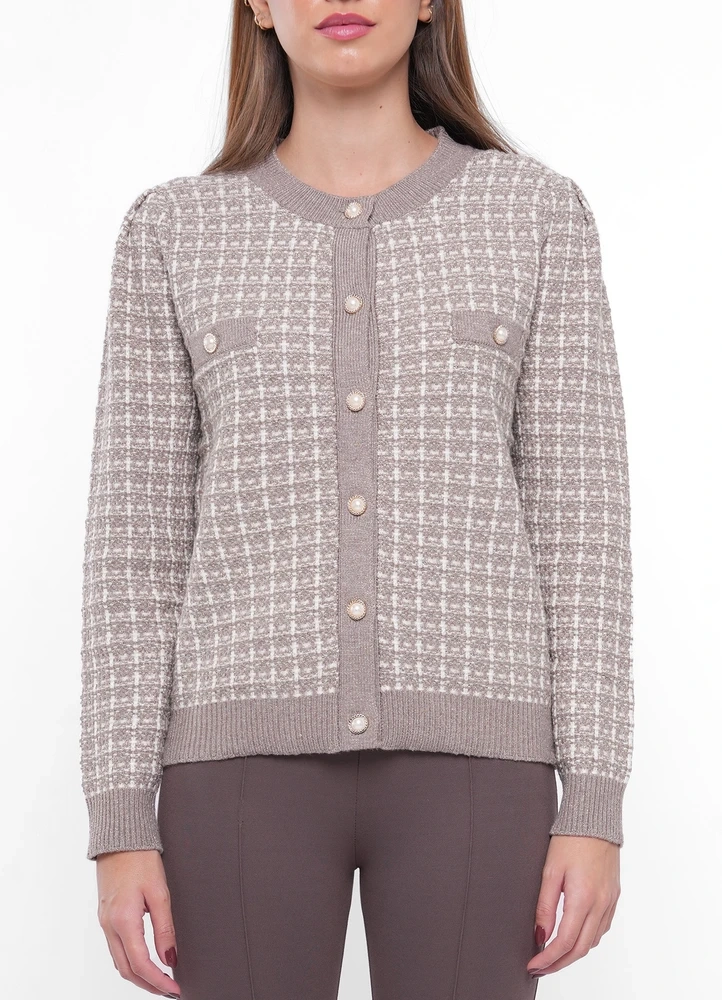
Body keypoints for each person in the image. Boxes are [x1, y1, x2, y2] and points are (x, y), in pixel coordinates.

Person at [79, 2, 634, 998]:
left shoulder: (535, 216)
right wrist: (120, 818)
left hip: (478, 758)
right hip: (236, 766)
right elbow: (135, 543)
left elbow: (582, 528)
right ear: (258, 5)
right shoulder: (173, 231)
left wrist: (592, 799)